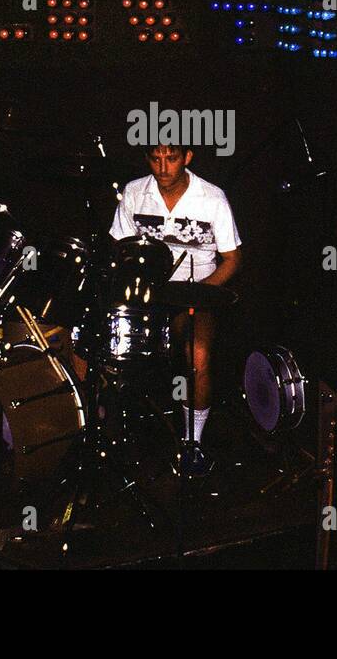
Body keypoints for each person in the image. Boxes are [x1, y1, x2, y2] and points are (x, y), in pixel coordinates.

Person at [109, 143, 242, 475]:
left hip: (196, 292)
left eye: (171, 159)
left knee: (197, 359)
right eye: (156, 158)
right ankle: (108, 434)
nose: (163, 167)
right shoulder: (134, 192)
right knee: (95, 341)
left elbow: (232, 259)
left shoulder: (212, 198)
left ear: (187, 158)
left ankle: (192, 443)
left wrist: (200, 292)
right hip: (146, 293)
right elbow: (120, 248)